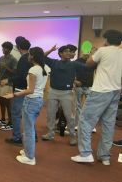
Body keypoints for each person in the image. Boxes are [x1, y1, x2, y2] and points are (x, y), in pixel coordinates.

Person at [71, 30, 122, 166]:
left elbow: (88, 64)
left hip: (100, 91)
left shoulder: (103, 50)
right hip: (115, 91)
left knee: (85, 121)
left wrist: (93, 54)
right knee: (108, 124)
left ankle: (86, 154)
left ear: (106, 39)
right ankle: (104, 156)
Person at [5, 47, 50, 165]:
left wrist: (14, 94)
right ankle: (27, 151)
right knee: (30, 127)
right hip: (38, 100)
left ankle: (30, 157)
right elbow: (46, 89)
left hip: (31, 101)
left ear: (33, 56)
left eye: (29, 54)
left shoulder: (33, 70)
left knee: (28, 130)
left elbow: (30, 90)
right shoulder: (46, 68)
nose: (28, 56)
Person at [42, 45, 85, 146]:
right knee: (50, 114)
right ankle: (50, 134)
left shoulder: (74, 64)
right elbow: (42, 57)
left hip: (67, 93)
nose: (68, 53)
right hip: (53, 91)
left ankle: (72, 137)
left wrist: (76, 81)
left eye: (69, 52)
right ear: (60, 53)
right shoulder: (54, 62)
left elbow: (86, 68)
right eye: (66, 51)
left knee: (69, 116)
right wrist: (51, 50)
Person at [2, 38, 31, 146]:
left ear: (18, 47)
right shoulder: (30, 57)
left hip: (20, 89)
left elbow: (21, 76)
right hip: (27, 89)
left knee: (16, 114)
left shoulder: (23, 59)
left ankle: (17, 137)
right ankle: (32, 135)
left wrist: (8, 80)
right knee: (27, 114)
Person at [0, 41, 17, 130]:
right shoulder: (1, 58)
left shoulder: (13, 59)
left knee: (7, 104)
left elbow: (15, 72)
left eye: (5, 48)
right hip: (0, 82)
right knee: (1, 102)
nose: (3, 49)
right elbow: (0, 70)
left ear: (9, 50)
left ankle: (10, 122)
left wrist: (8, 68)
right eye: (2, 48)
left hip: (8, 83)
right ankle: (3, 119)